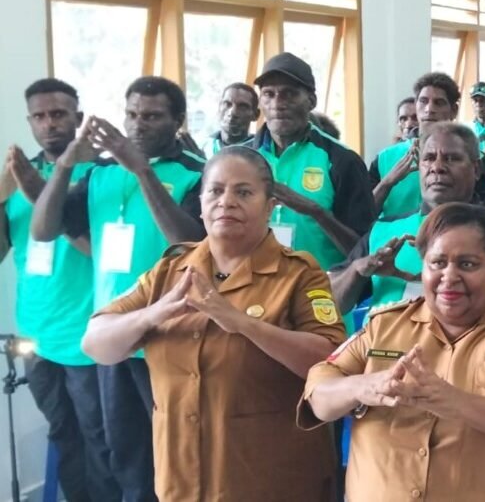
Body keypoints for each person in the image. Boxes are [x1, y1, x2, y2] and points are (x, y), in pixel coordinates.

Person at [80, 145, 344, 500]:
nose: (227, 201)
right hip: (182, 479)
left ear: (270, 206)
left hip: (270, 482)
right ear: (201, 202)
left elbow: (328, 358)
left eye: (244, 192)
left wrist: (242, 323)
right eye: (216, 191)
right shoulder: (170, 270)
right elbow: (96, 343)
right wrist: (153, 314)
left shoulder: (299, 273)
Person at [299, 202, 485, 501]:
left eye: (467, 264)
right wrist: (363, 386)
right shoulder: (383, 326)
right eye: (438, 262)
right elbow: (318, 394)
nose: (449, 276)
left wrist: (456, 403)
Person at [32, 75, 207, 502]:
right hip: (116, 339)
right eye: (131, 114)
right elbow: (43, 229)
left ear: (178, 120)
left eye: (151, 116)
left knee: (181, 453)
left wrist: (142, 170)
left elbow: (189, 244)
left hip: (174, 339)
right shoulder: (99, 176)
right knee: (125, 456)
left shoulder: (195, 174)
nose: (137, 124)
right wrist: (66, 165)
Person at [0, 78, 120, 502]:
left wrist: (43, 196)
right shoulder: (18, 177)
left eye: (58, 114)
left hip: (88, 335)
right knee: (62, 433)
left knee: (100, 439)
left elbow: (106, 251)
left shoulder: (102, 176)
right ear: (29, 121)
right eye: (39, 116)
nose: (49, 124)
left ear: (77, 116)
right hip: (36, 335)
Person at [331, 122, 485, 316]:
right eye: (429, 158)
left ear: (476, 169)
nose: (437, 167)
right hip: (390, 360)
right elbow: (331, 303)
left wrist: (482, 279)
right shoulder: (384, 230)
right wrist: (357, 270)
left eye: (451, 158)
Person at [250, 52, 373, 269]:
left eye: (289, 94)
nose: (278, 104)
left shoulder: (342, 160)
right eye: (269, 94)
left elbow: (363, 252)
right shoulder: (240, 159)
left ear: (311, 101)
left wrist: (316, 212)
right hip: (253, 289)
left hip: (321, 291)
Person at [370, 72, 485, 218]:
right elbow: (362, 215)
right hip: (398, 238)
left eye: (439, 102)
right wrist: (387, 183)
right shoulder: (385, 158)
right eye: (423, 101)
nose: (429, 109)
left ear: (454, 110)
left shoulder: (472, 158)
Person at [203, 82, 258, 158]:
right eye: (227, 104)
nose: (232, 112)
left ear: (255, 115)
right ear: (219, 108)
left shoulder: (261, 152)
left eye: (242, 107)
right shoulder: (203, 147)